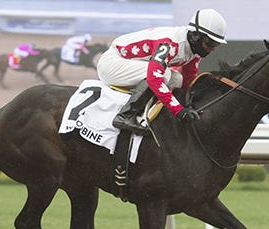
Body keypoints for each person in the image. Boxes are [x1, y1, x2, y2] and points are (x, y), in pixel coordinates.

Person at [96, 9, 227, 135]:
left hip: (130, 63)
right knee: (164, 74)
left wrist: (190, 106)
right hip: (111, 63)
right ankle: (125, 115)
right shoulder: (169, 43)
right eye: (210, 43)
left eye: (216, 44)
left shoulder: (194, 51)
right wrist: (178, 111)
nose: (212, 49)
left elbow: (188, 81)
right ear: (196, 36)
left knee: (177, 79)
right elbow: (154, 78)